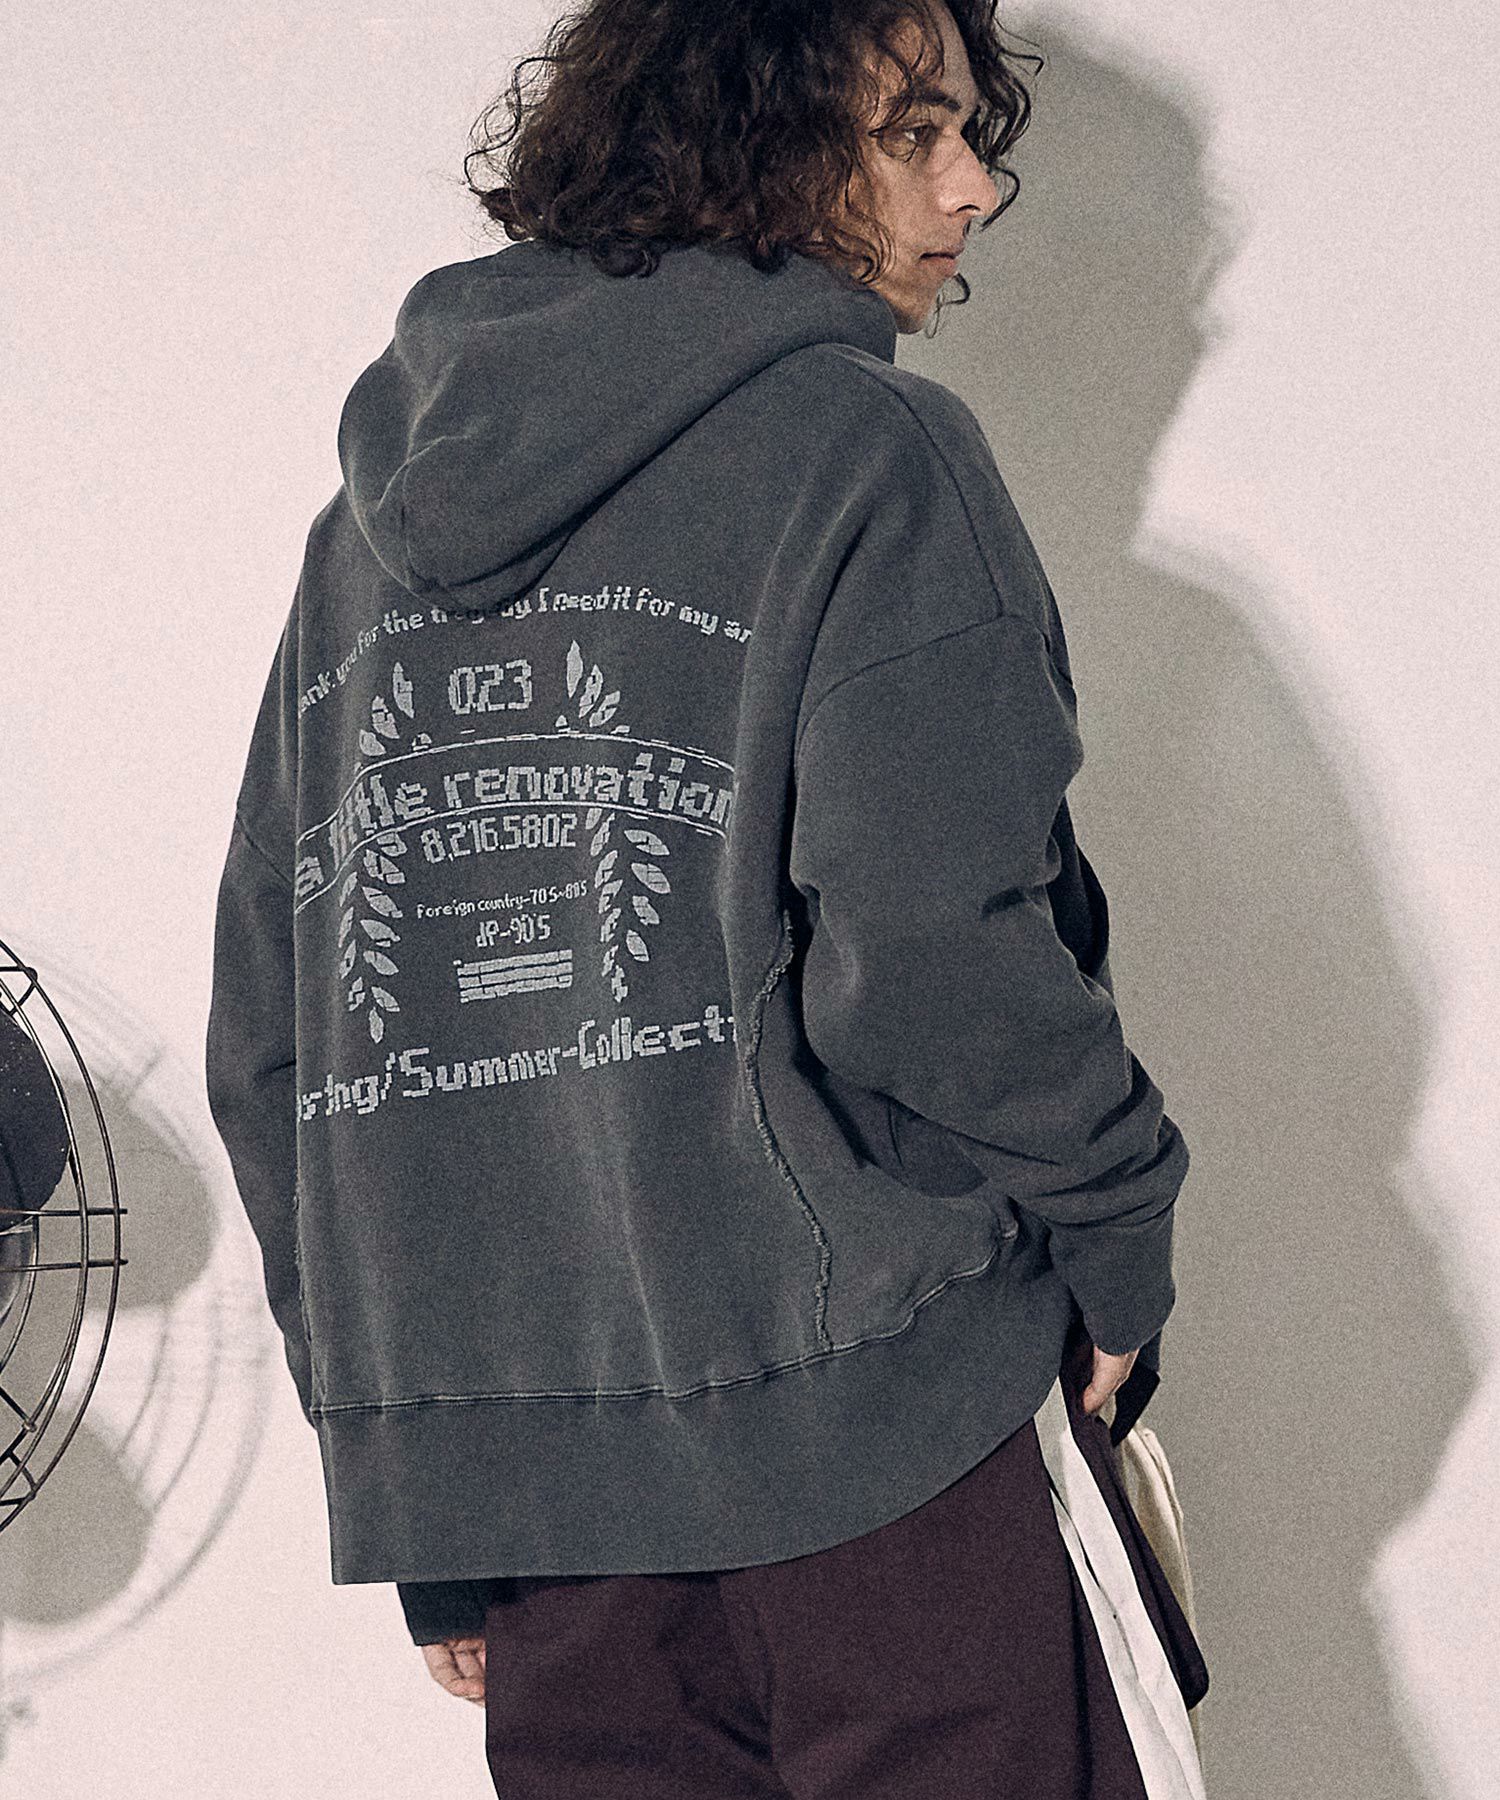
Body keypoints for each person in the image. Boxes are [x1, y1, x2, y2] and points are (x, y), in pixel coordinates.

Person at [205, 1, 1209, 1792]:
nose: (975, 189)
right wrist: (1122, 1236)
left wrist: (430, 1470)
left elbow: (292, 1041)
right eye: (912, 131)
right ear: (744, 136)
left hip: (553, 1535)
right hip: (895, 1458)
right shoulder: (871, 452)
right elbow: (934, 955)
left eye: (971, 137)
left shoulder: (360, 543)